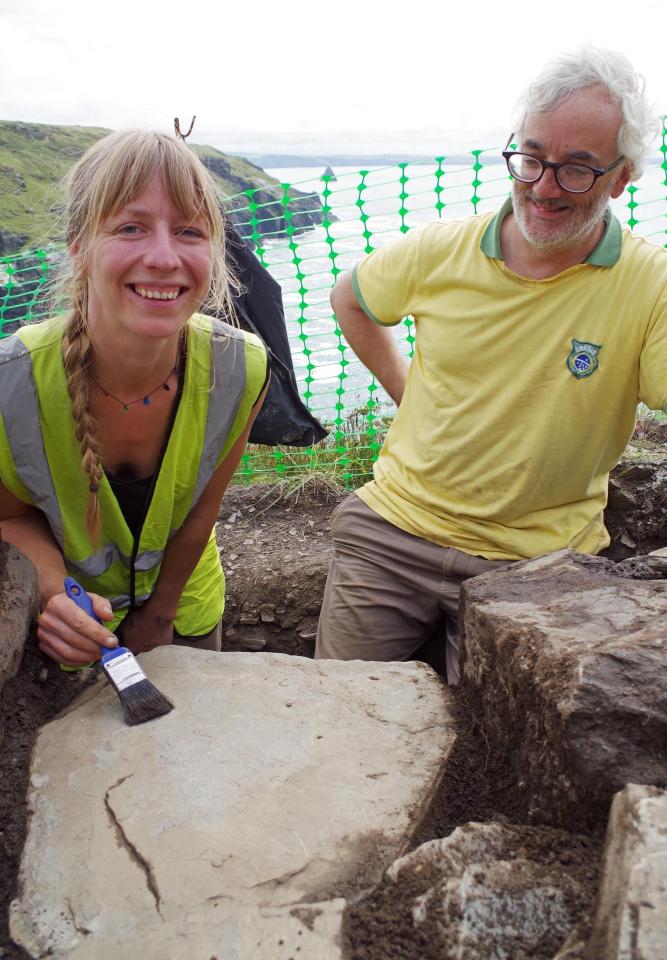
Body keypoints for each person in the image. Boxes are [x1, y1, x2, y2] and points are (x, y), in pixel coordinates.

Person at [315, 46, 667, 684]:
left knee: (501, 755)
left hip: (540, 561)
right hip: (393, 529)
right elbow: (351, 297)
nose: (542, 185)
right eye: (531, 156)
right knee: (333, 716)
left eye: (577, 169)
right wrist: (405, 391)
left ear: (623, 177)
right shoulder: (439, 249)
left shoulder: (652, 284)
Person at [0, 130, 269, 666]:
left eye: (190, 231)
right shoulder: (13, 381)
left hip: (186, 609)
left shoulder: (242, 365)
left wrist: (160, 614)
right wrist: (54, 593)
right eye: (130, 227)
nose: (165, 258)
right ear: (78, 248)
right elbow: (9, 517)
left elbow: (200, 515)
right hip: (78, 625)